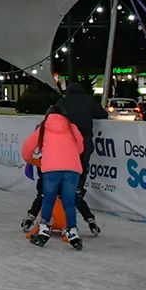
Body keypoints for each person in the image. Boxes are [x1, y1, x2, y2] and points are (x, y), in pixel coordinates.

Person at [20, 104, 84, 250]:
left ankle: (43, 231)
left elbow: (28, 147)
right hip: (72, 169)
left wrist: (28, 158)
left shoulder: (43, 127)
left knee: (48, 200)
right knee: (69, 202)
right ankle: (73, 232)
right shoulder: (72, 127)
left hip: (52, 169)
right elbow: (80, 147)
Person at [56, 81, 108, 234]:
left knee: (66, 167)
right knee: (82, 167)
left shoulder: (62, 102)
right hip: (85, 139)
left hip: (67, 140)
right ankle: (78, 190)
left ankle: (65, 190)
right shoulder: (89, 100)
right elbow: (102, 114)